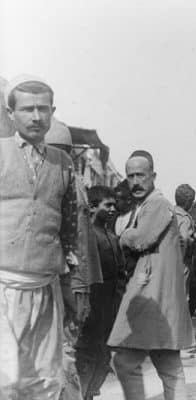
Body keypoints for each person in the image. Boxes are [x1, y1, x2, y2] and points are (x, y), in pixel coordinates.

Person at [0, 75, 79, 399]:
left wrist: (73, 286)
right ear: (10, 113)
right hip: (3, 287)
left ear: (53, 111)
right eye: (28, 109)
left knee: (46, 381)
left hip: (46, 288)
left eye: (43, 109)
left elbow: (71, 230)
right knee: (6, 379)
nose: (36, 117)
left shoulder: (63, 163)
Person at [107, 150, 194, 400]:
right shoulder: (150, 204)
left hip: (151, 295)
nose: (135, 181)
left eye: (140, 175)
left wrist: (122, 235)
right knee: (169, 365)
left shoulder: (156, 204)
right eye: (130, 175)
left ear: (153, 175)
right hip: (160, 296)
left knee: (125, 361)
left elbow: (141, 240)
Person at [44, 118, 104, 400]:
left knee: (64, 355)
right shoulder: (71, 183)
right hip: (67, 283)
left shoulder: (66, 185)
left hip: (67, 284)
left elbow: (73, 245)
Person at [75, 186, 125, 400]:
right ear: (93, 207)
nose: (113, 209)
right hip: (92, 305)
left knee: (104, 356)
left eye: (115, 204)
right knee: (87, 354)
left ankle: (90, 393)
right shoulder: (86, 236)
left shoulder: (112, 236)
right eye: (108, 205)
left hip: (110, 306)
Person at [173, 184, 196, 299]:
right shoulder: (184, 218)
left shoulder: (169, 213)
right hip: (181, 263)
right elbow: (185, 238)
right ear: (188, 202)